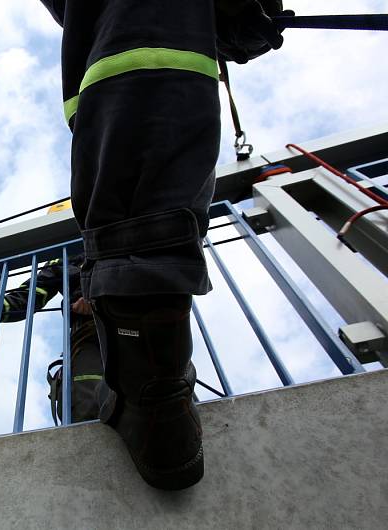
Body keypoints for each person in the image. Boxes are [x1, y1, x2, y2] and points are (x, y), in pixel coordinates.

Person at [37, 0, 289, 490]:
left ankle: (154, 406)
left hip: (119, 67)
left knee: (138, 218)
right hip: (171, 63)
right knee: (153, 217)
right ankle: (156, 400)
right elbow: (244, 29)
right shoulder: (60, 262)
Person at [0, 200, 103, 424]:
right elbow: (25, 298)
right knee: (87, 407)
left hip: (137, 329)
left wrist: (101, 299)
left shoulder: (114, 241)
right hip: (87, 339)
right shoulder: (61, 261)